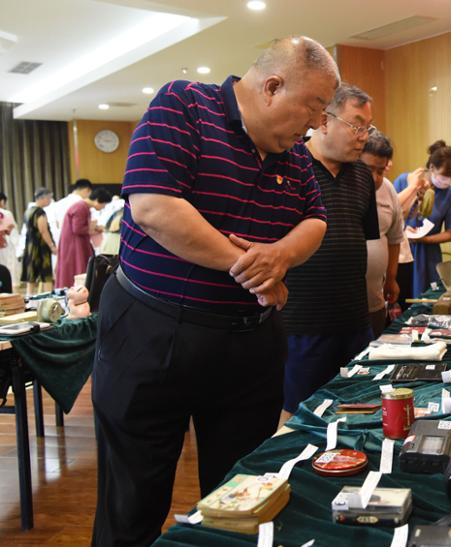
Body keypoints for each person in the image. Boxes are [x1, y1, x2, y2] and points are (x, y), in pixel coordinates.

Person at [91, 36, 339, 546]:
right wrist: (254, 270)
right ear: (272, 87)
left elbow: (315, 219)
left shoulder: (293, 155)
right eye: (314, 107)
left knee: (242, 498)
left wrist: (280, 257)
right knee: (132, 501)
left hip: (249, 343)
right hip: (153, 332)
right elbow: (154, 207)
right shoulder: (184, 105)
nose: (318, 123)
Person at [280, 83, 379, 420]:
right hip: (302, 323)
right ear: (323, 120)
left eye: (368, 128)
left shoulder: (362, 175)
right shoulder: (289, 165)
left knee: (360, 412)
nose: (363, 137)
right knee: (300, 417)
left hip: (355, 320)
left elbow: (364, 239)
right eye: (356, 126)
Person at [394, 141, 451, 297]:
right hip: (401, 250)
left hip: (429, 255)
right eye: (444, 176)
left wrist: (423, 239)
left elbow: (450, 233)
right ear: (432, 167)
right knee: (401, 297)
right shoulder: (405, 181)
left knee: (428, 298)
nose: (446, 181)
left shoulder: (450, 194)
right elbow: (389, 216)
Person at [360, 131, 404, 337]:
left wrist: (391, 279)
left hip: (375, 300)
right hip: (344, 303)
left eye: (380, 171)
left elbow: (395, 238)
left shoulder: (388, 189)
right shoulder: (346, 187)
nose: (375, 178)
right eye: (368, 169)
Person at [55, 188, 111, 288]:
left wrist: (94, 228)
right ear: (97, 200)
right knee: (77, 268)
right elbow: (77, 229)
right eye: (104, 204)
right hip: (75, 244)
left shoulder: (82, 206)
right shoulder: (81, 207)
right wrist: (93, 229)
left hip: (75, 242)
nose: (103, 207)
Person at [20, 187, 56, 295]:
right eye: (49, 198)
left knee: (31, 277)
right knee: (46, 275)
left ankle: (29, 298)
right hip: (40, 247)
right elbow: (43, 231)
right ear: (42, 198)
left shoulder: (28, 211)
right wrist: (52, 246)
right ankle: (48, 297)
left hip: (30, 245)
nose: (50, 201)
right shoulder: (39, 212)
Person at [46, 178, 93, 247]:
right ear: (86, 190)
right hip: (76, 240)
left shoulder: (59, 203)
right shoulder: (81, 204)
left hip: (60, 239)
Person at [0, 192, 20, 286]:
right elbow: (13, 232)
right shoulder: (6, 213)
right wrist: (18, 246)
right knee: (9, 271)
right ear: (2, 201)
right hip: (5, 245)